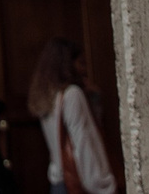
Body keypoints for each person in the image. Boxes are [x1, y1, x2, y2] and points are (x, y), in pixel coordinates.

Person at [28, 38, 119, 194]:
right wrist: (105, 186)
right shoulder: (72, 94)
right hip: (79, 184)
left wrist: (94, 99)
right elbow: (83, 143)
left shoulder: (48, 96)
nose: (84, 69)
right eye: (81, 63)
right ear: (68, 65)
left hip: (58, 183)